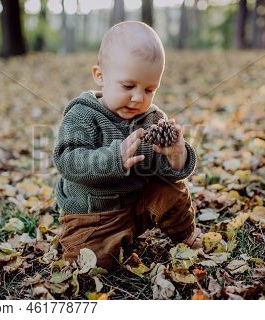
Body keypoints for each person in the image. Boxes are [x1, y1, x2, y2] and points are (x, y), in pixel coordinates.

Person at [53, 21, 201, 269]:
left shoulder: (153, 119)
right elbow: (68, 160)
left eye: (149, 89)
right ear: (100, 76)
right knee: (90, 265)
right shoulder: (83, 115)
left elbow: (165, 172)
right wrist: (114, 159)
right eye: (128, 86)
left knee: (172, 191)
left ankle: (184, 233)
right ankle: (104, 243)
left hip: (139, 201)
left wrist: (177, 156)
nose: (138, 98)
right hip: (95, 213)